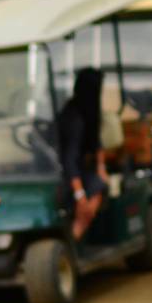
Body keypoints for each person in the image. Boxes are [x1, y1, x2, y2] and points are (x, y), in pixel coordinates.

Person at [59, 66, 109, 240]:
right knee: (91, 197)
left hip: (80, 169)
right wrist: (80, 195)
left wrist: (102, 167)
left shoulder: (89, 113)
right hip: (68, 173)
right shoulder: (74, 118)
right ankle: (75, 237)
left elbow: (96, 143)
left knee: (99, 183)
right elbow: (69, 160)